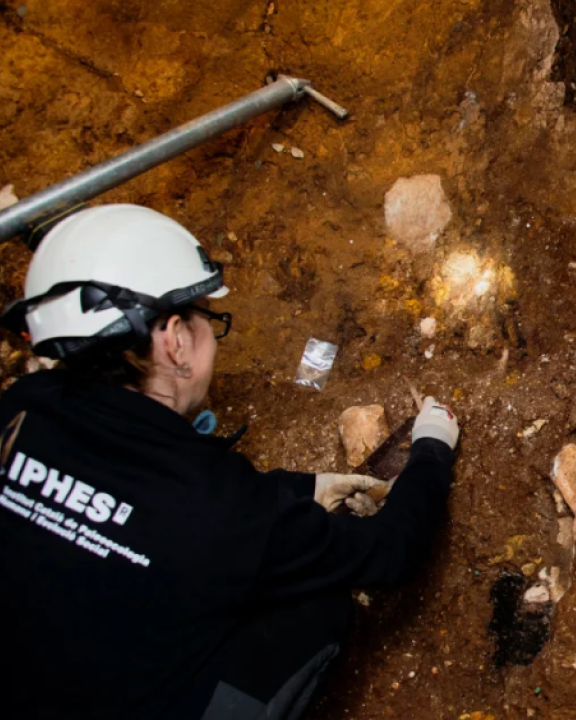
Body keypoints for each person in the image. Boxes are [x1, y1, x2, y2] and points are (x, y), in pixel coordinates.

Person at [0, 204, 460, 720]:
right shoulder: (212, 508)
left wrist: (303, 487)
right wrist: (432, 448)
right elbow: (390, 551)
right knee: (317, 606)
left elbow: (139, 503)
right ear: (174, 340)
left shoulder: (16, 413)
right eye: (205, 318)